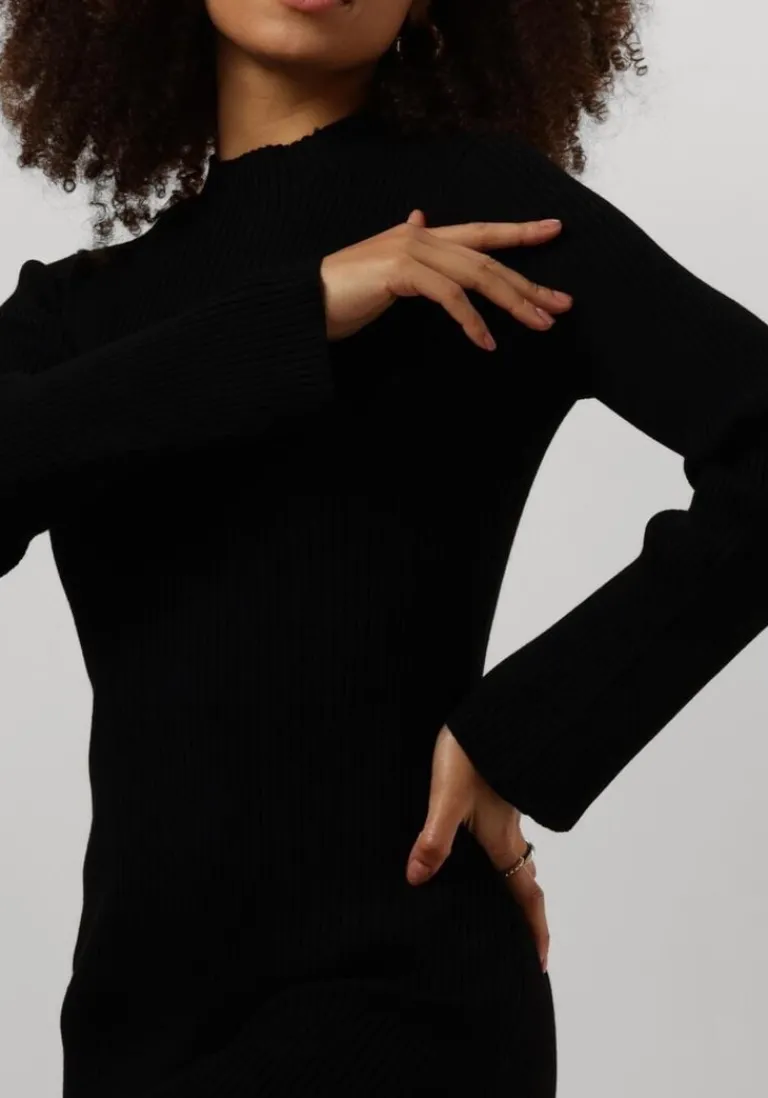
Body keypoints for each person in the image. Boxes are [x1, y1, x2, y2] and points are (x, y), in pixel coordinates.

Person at [1, 1, 766, 1095]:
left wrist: (525, 736)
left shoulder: (487, 227)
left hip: (402, 997)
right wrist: (301, 309)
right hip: (132, 1028)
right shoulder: (80, 315)